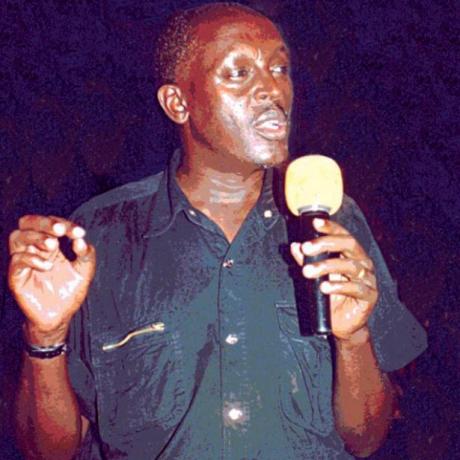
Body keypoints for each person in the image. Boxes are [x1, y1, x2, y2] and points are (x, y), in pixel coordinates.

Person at [8, 3, 427, 459]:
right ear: (178, 103)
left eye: (279, 68)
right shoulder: (99, 236)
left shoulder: (333, 223)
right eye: (239, 73)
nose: (272, 89)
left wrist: (354, 338)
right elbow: (47, 452)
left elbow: (366, 439)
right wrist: (45, 335)